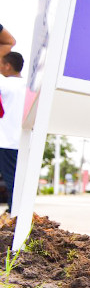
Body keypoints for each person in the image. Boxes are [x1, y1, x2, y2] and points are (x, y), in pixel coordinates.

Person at [0, 47, 26, 215]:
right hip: (22, 141)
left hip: (5, 140)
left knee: (11, 181)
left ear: (8, 66)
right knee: (17, 181)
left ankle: (14, 215)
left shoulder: (4, 84)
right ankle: (16, 212)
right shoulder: (31, 86)